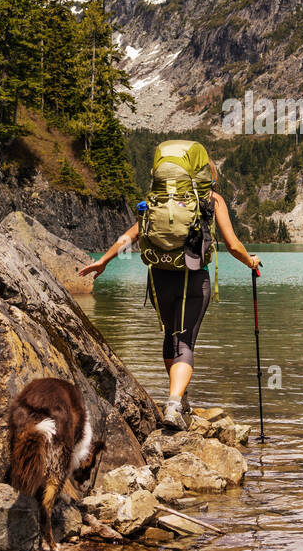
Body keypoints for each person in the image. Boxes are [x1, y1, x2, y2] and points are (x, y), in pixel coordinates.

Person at [79, 157, 259, 430]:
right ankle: (174, 404)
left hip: (159, 277)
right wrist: (251, 262)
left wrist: (104, 260)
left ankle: (181, 400)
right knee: (185, 342)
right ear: (207, 174)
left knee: (170, 336)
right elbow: (233, 245)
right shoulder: (212, 199)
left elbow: (134, 234)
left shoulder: (160, 200)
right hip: (194, 277)